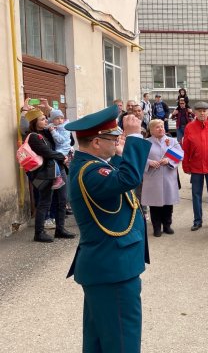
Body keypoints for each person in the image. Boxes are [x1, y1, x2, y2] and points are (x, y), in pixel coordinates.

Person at [64, 105, 151, 353]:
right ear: (96, 143)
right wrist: (134, 136)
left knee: (100, 341)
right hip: (112, 267)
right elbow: (127, 180)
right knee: (122, 342)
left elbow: (120, 178)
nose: (117, 142)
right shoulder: (90, 171)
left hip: (108, 265)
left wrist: (122, 153)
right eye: (113, 138)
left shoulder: (92, 164)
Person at [25, 108, 75, 242]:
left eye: (45, 118)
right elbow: (47, 152)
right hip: (46, 172)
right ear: (34, 122)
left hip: (59, 169)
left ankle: (60, 229)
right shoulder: (33, 137)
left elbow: (69, 140)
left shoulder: (48, 131)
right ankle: (39, 233)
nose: (46, 120)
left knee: (62, 200)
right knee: (45, 202)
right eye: (42, 119)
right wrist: (62, 156)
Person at [182, 101, 208, 231]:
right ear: (195, 112)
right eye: (199, 110)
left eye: (204, 110)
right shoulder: (189, 127)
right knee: (196, 195)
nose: (202, 113)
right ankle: (197, 221)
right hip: (196, 166)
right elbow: (186, 148)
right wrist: (186, 165)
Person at [141, 119, 181, 237]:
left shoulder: (172, 141)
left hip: (168, 177)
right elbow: (140, 158)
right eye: (157, 127)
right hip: (152, 179)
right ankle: (156, 228)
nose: (161, 129)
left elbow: (180, 154)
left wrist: (168, 160)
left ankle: (167, 225)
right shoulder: (146, 142)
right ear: (151, 130)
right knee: (155, 204)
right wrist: (149, 162)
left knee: (168, 203)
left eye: (162, 126)